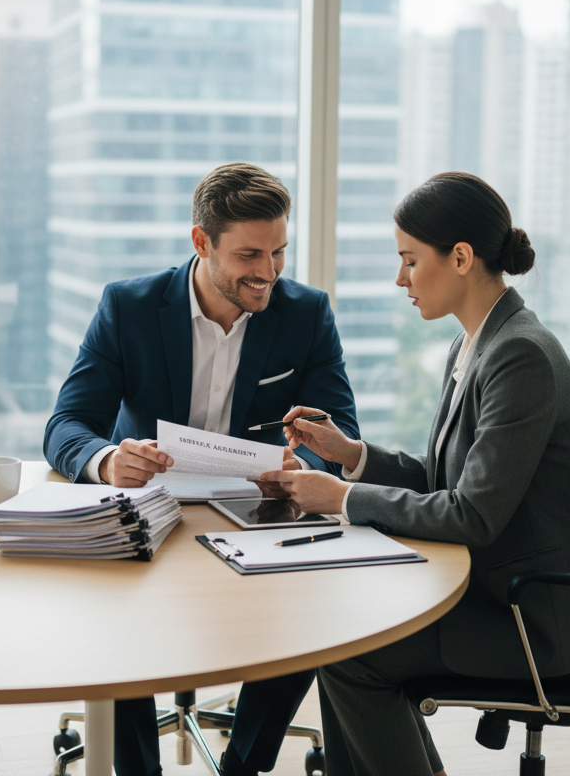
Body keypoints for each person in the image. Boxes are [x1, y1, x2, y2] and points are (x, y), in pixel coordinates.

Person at [257, 172, 570, 776]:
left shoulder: (520, 355)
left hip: (540, 622)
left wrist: (344, 497)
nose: (400, 279)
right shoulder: (477, 343)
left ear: (460, 257)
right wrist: (349, 453)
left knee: (350, 654)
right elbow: (444, 479)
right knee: (342, 633)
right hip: (502, 596)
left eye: (410, 260)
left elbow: (473, 515)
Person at [44, 162, 360, 776]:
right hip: (147, 510)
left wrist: (304, 464)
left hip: (258, 513)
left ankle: (245, 765)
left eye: (278, 252)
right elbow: (66, 427)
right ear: (201, 243)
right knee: (119, 618)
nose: (267, 272)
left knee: (312, 606)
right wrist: (108, 460)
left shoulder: (305, 314)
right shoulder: (129, 306)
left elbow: (340, 434)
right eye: (249, 255)